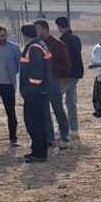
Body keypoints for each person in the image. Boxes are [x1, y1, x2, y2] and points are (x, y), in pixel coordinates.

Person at [34, 19, 70, 150]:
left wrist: (58, 77)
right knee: (44, 112)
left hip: (54, 82)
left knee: (58, 109)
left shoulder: (57, 44)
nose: (36, 32)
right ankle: (50, 139)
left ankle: (65, 136)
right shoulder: (37, 45)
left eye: (38, 29)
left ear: (44, 28)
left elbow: (65, 64)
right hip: (41, 83)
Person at [19, 24, 52, 162]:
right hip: (41, 92)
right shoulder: (41, 44)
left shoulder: (34, 48)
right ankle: (37, 151)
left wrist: (30, 91)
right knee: (39, 123)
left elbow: (36, 74)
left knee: (33, 123)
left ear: (24, 35)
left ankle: (39, 153)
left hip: (35, 93)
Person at [55, 16, 83, 139]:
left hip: (66, 75)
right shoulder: (76, 39)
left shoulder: (62, 41)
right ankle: (73, 129)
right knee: (71, 102)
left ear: (59, 27)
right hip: (76, 74)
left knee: (57, 98)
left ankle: (63, 128)